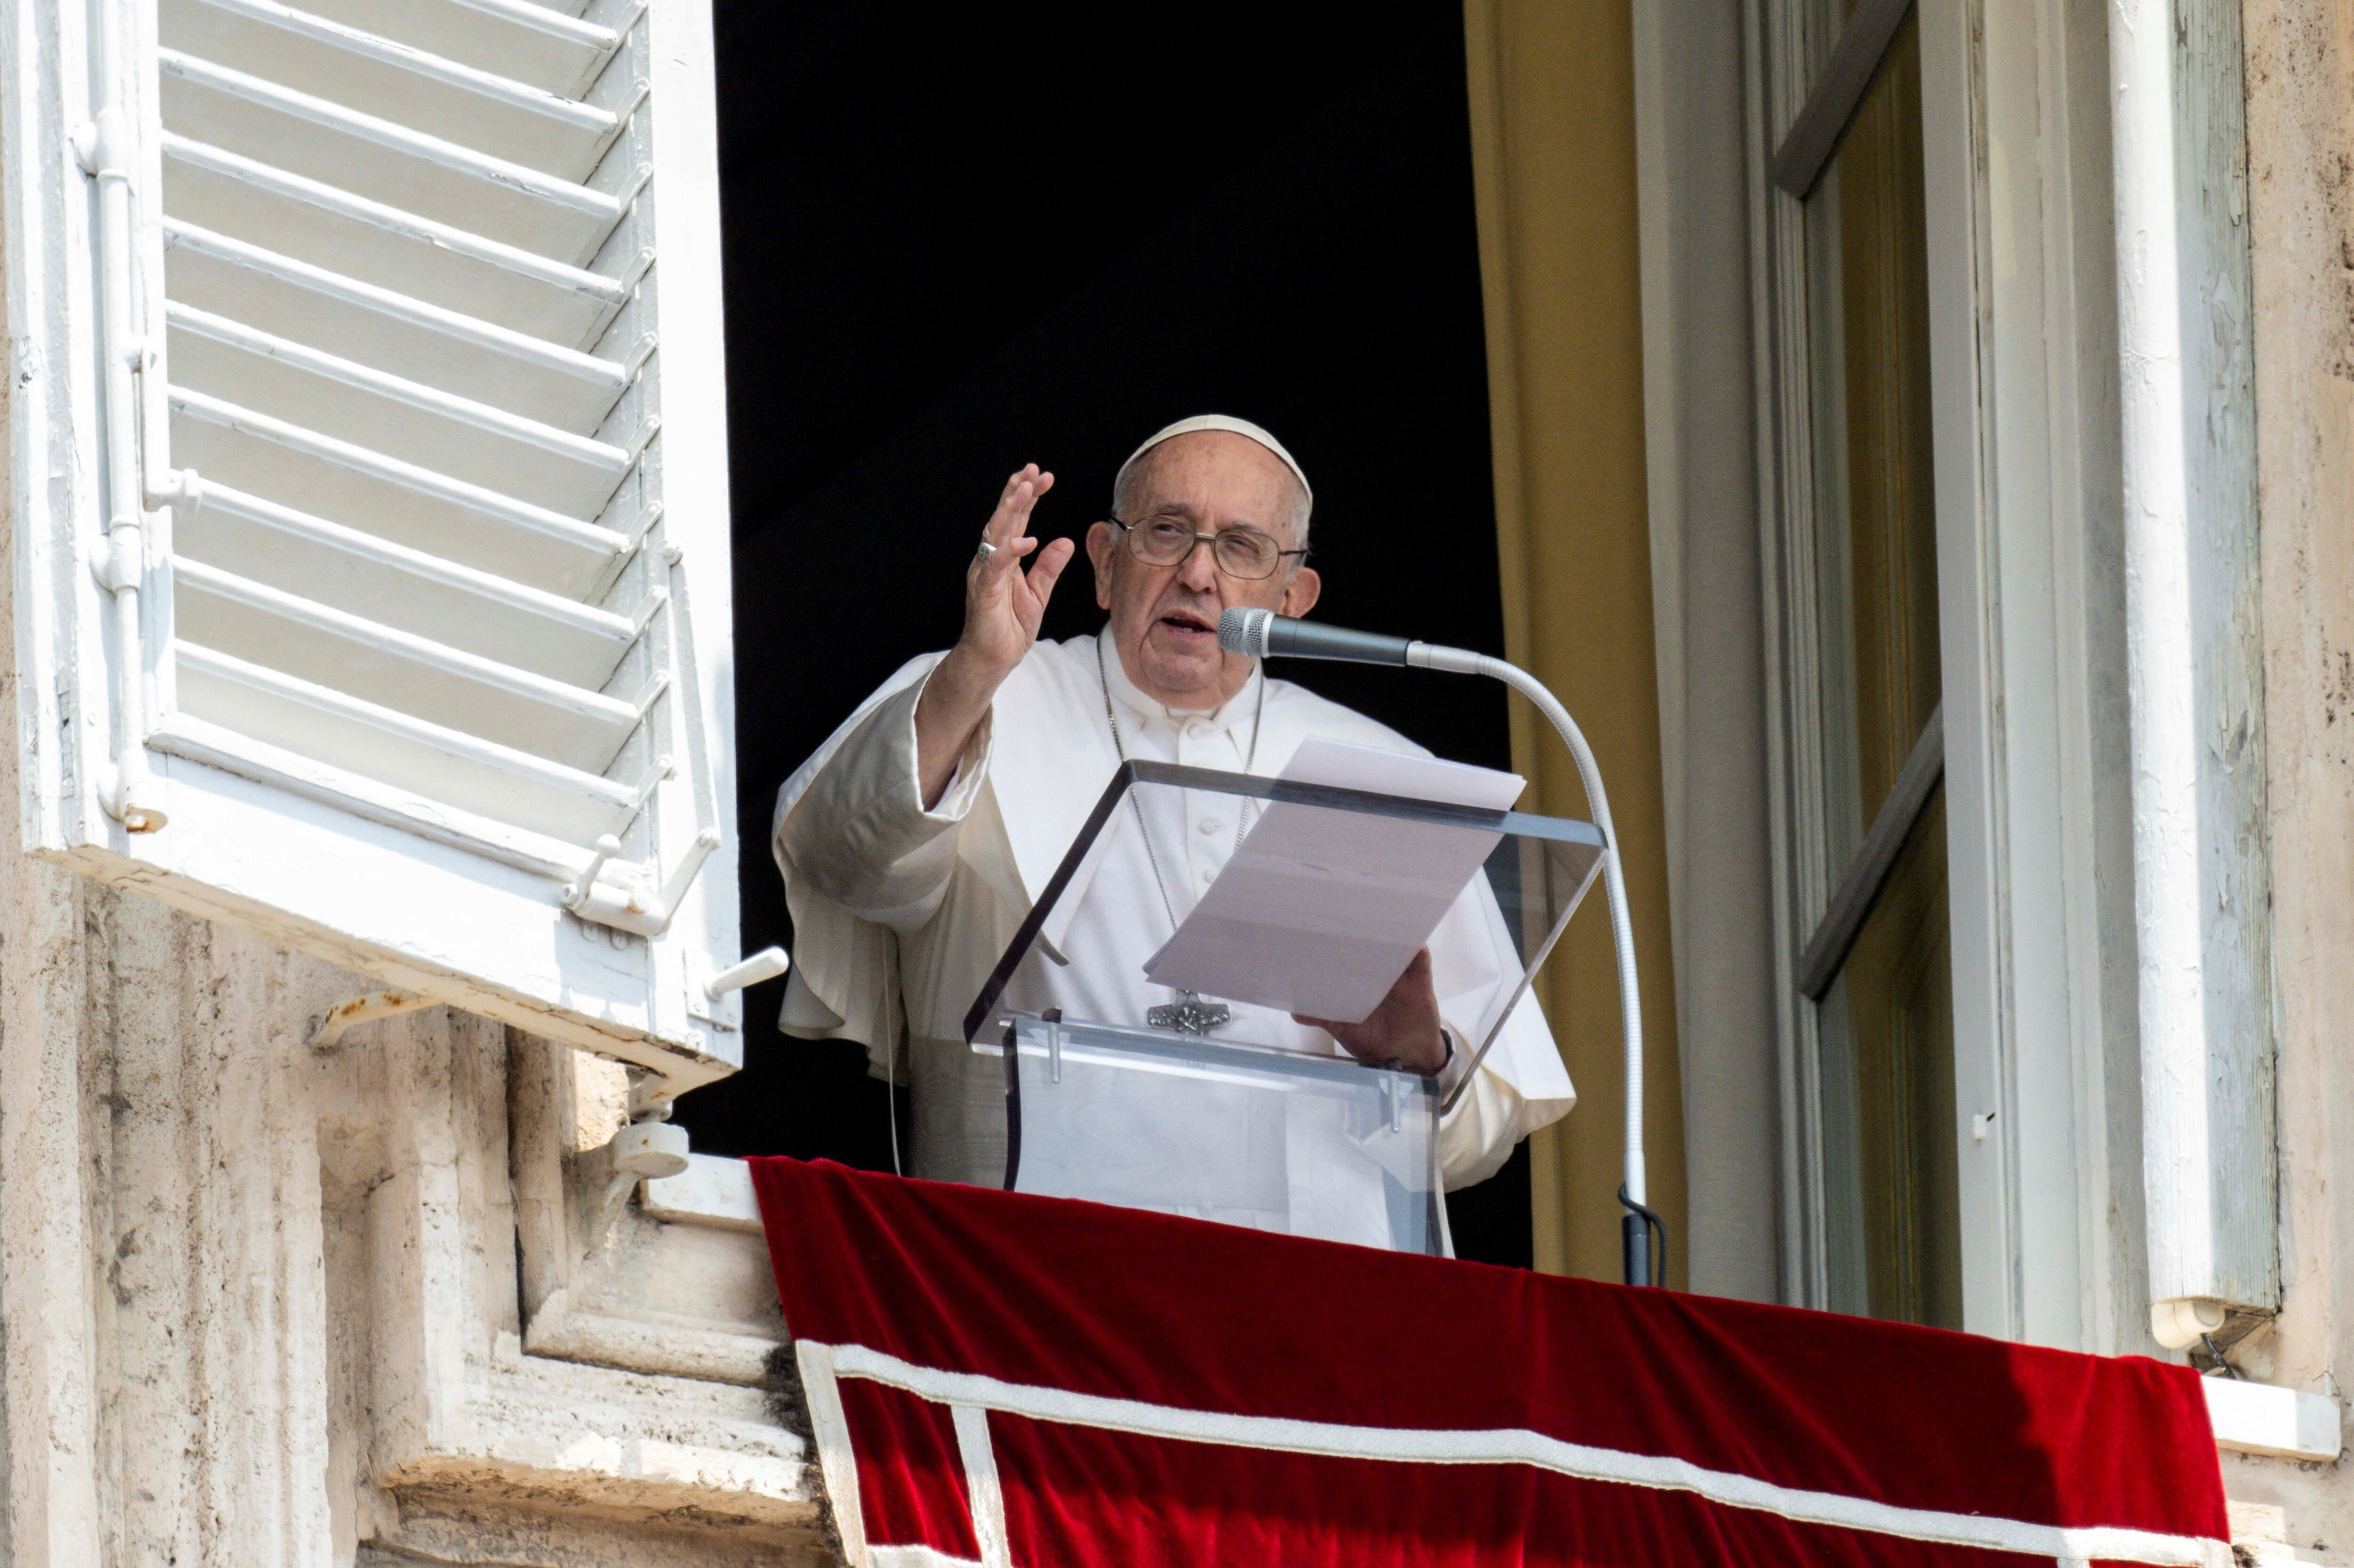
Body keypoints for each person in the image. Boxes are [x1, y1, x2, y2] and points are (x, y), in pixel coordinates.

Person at [773, 416, 1574, 1227]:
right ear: (1105, 564)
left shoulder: (1386, 776)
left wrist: (1413, 1057)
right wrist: (973, 668)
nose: (1198, 573)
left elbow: (1480, 1145)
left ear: (1292, 599)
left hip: (1302, 1306)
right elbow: (850, 864)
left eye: (1242, 547)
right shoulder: (979, 699)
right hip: (1021, 1280)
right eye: (1167, 532)